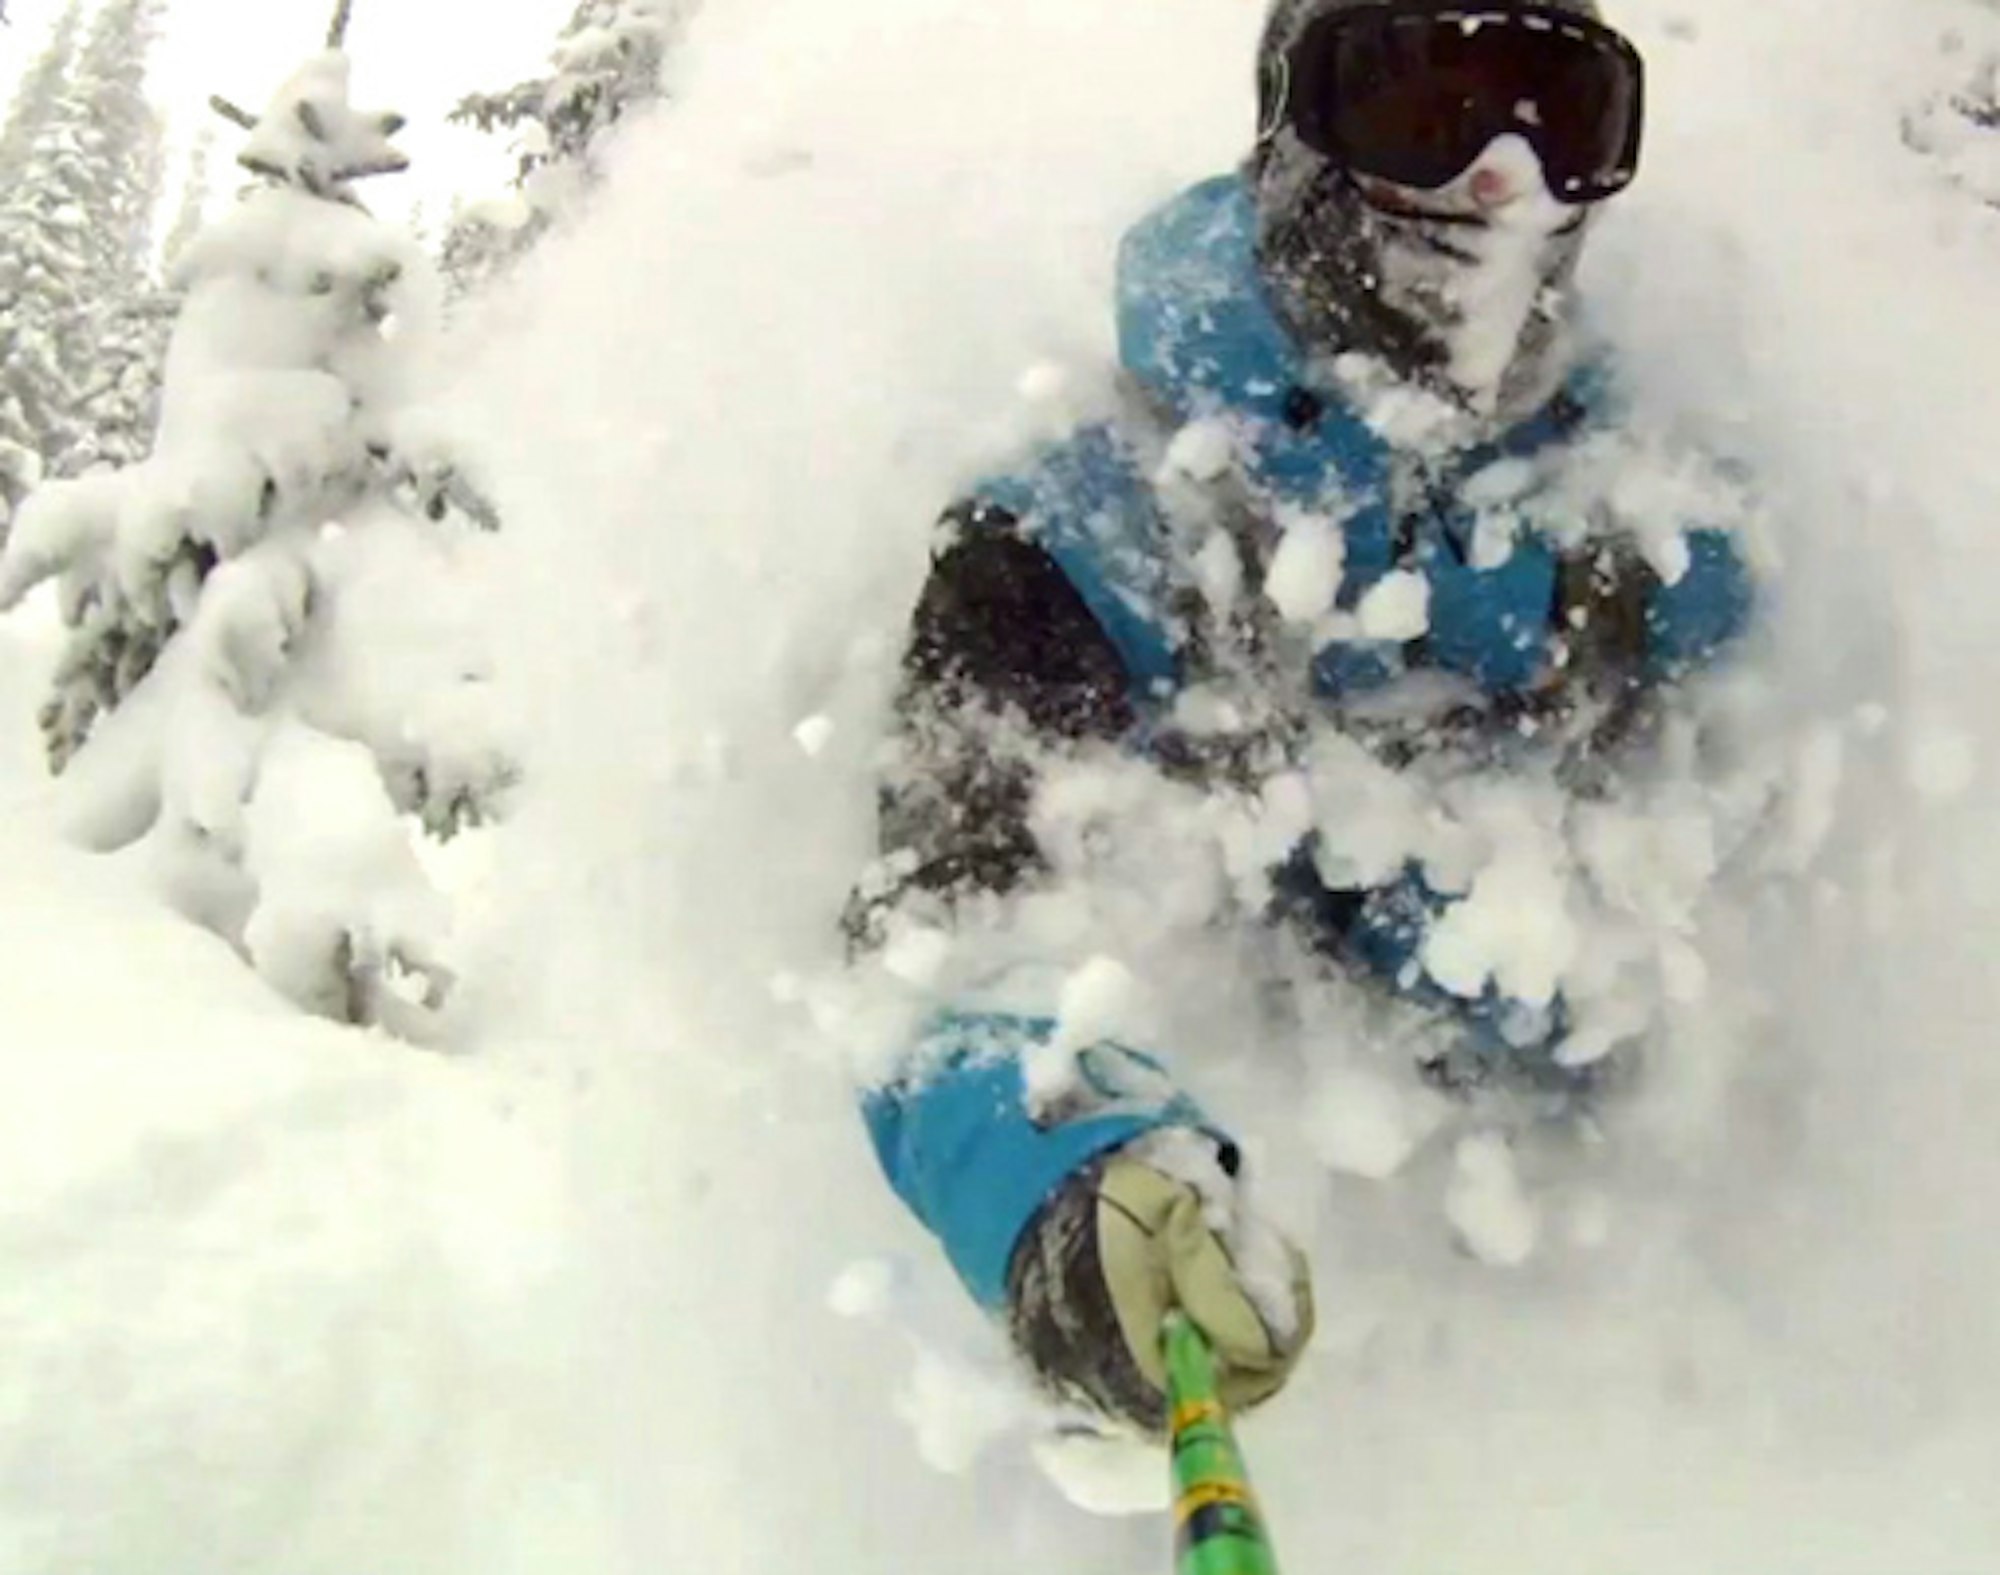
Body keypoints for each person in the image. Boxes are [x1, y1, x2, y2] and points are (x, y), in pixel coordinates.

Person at [850, 0, 1754, 1440]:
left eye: (1562, 111)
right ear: (1292, 133)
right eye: (1420, 100)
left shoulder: (1666, 514)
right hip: (1320, 1335)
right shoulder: (1087, 537)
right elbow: (958, 941)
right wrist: (1074, 1180)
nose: (1500, 181)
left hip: (1661, 1373)